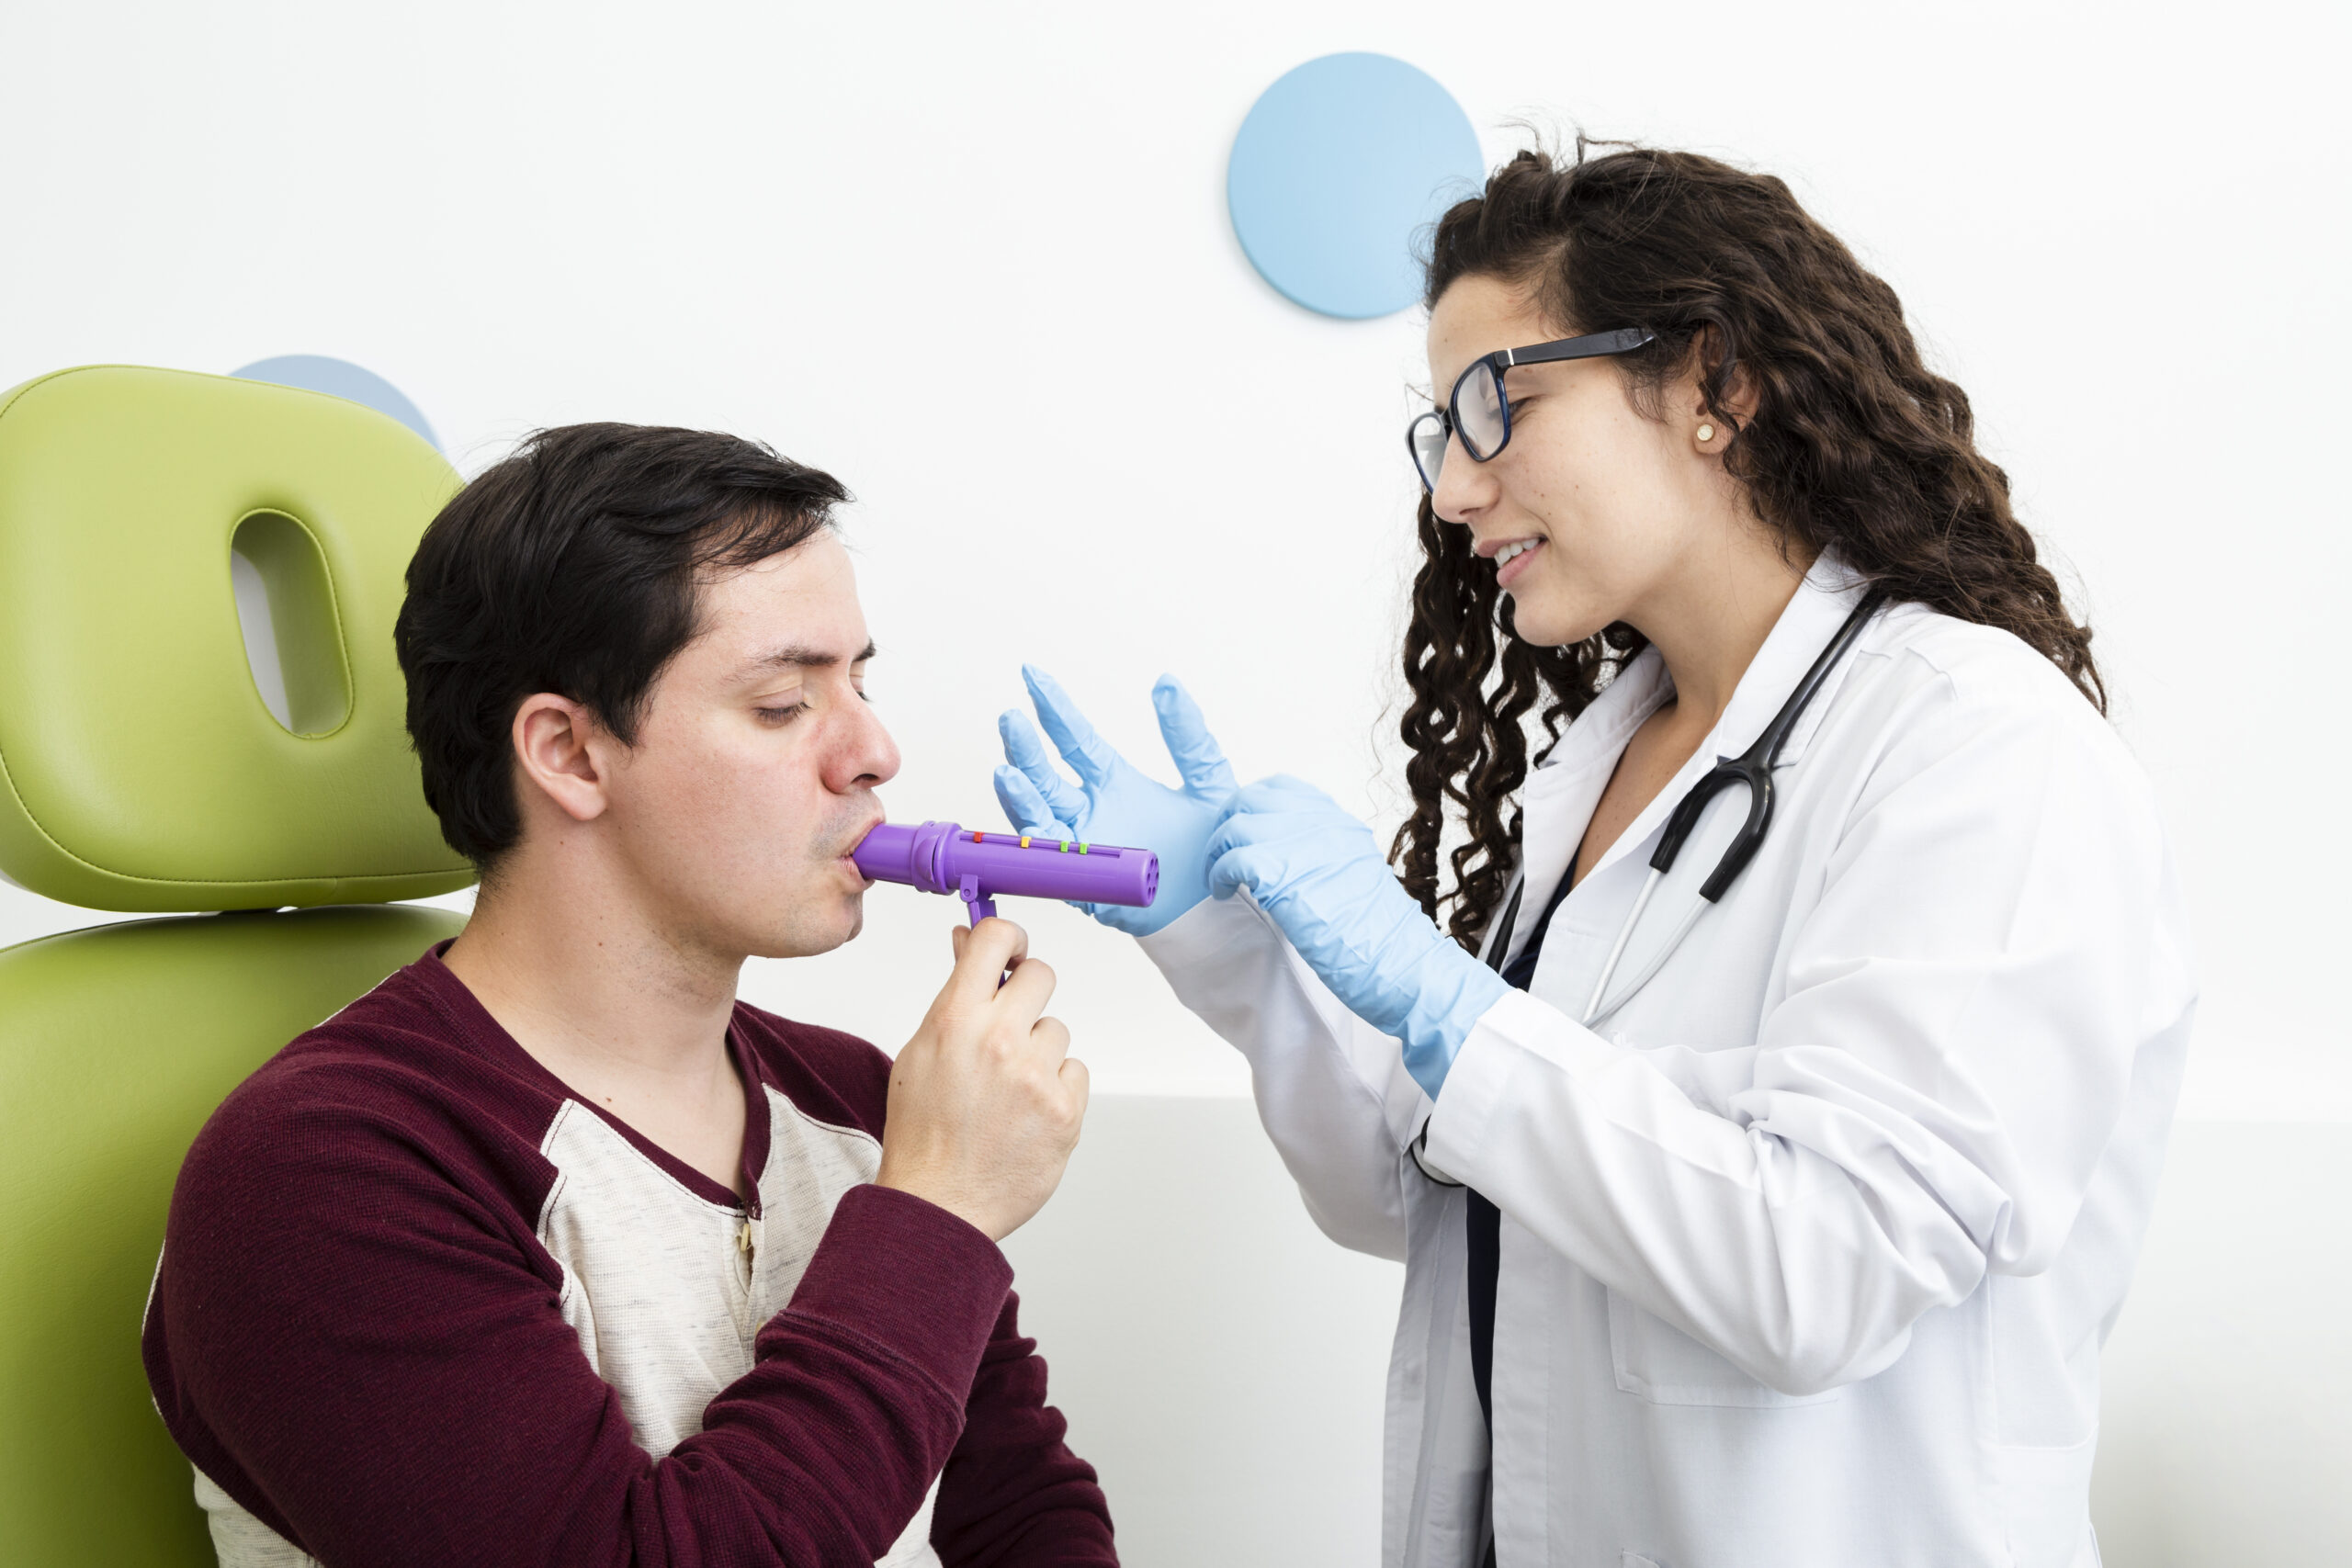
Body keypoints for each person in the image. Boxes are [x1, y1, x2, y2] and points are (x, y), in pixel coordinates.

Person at [994, 144, 2193, 1567]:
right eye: (1440, 429)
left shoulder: (1974, 747)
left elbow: (1823, 1270)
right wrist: (1238, 946)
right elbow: (1424, 1191)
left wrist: (1454, 1008)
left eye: (1498, 403)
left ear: (1712, 386)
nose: (1452, 486)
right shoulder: (1607, 763)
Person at [142, 424, 1114, 1568]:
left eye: (859, 682)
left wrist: (927, 1201)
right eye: (782, 704)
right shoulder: (326, 1171)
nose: (874, 751)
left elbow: (1021, 1519)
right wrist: (934, 1219)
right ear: (570, 755)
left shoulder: (862, 1102)